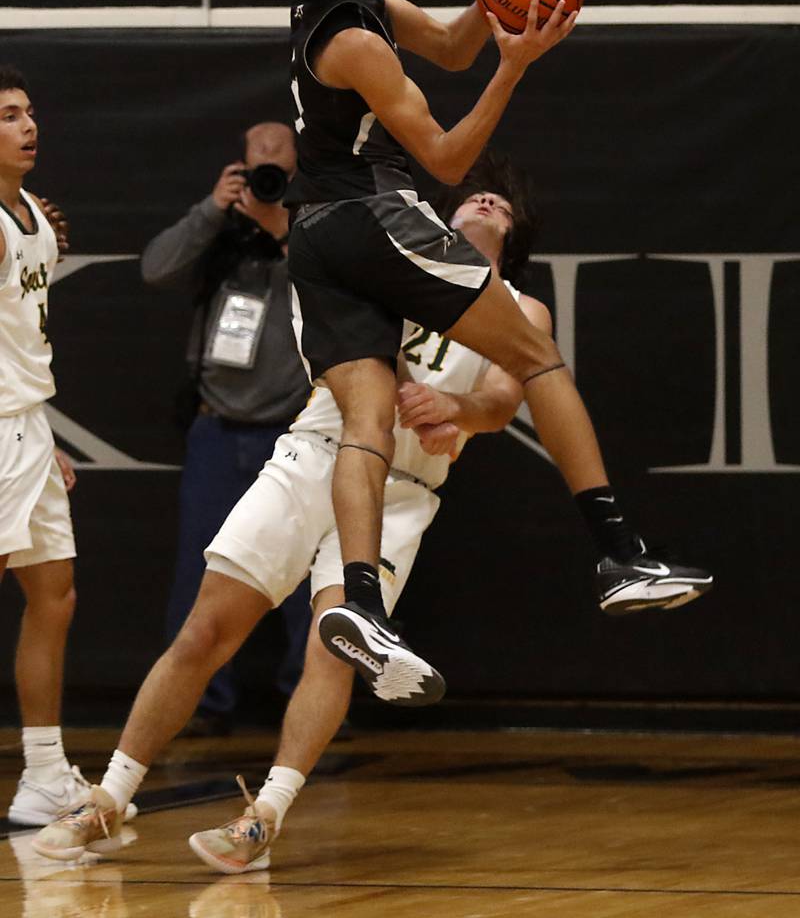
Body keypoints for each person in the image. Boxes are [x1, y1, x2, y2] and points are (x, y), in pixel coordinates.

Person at [32, 157, 710, 866]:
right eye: (476, 193)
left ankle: (265, 814)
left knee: (336, 643)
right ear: (441, 217)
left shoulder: (519, 307)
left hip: (404, 493)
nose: (488, 199)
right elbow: (334, 344)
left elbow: (504, 400)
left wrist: (458, 408)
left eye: (504, 205)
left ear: (515, 237)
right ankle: (107, 795)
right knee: (206, 626)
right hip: (318, 452)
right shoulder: (389, 263)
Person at [222, 0, 710, 701]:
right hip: (373, 216)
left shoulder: (345, 6)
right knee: (532, 352)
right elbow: (446, 159)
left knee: (366, 419)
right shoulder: (357, 41)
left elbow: (449, 42)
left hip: (318, 239)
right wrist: (517, 64)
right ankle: (619, 554)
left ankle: (360, 603)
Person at [140, 122, 313, 737]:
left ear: (299, 169)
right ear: (239, 166)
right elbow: (155, 268)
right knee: (200, 573)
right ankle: (200, 703)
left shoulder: (317, 226)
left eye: (279, 170)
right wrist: (214, 208)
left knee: (303, 583)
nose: (267, 179)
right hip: (217, 429)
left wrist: (281, 223)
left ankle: (305, 700)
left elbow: (339, 291)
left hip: (293, 433)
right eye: (255, 168)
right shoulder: (220, 232)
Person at [0, 65, 136, 827]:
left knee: (54, 595)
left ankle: (44, 773)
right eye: (9, 115)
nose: (28, 125)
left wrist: (39, 437)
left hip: (25, 426)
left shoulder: (35, 214)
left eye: (30, 111)